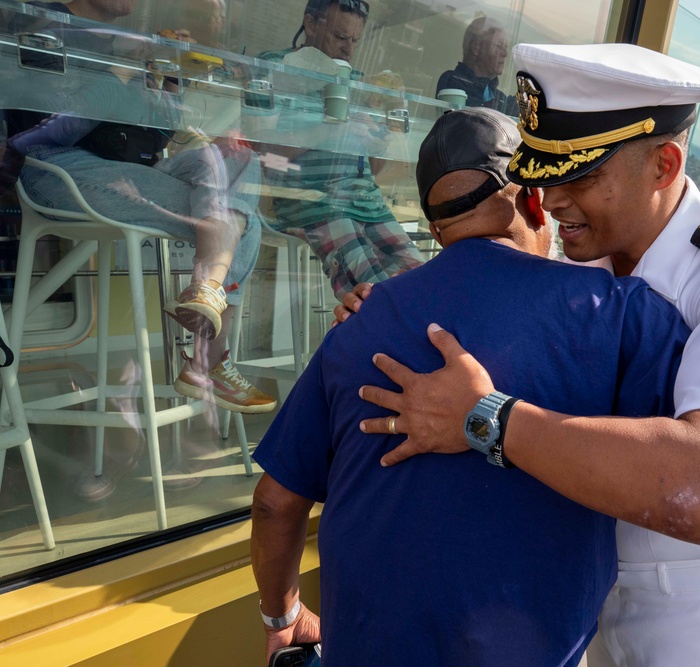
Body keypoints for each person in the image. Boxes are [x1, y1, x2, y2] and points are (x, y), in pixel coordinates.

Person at [354, 43, 700, 666]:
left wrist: (488, 418)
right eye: (543, 173)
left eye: (578, 174)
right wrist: (391, 317)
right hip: (584, 597)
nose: (550, 200)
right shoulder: (582, 264)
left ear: (663, 165)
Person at [250, 108, 691, 665]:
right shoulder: (621, 313)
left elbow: (274, 504)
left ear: (436, 231)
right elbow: (695, 471)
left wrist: (282, 616)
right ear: (534, 201)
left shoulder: (362, 322)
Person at [2, 0, 275, 413]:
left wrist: (167, 78)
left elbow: (154, 137)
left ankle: (208, 291)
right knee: (241, 220)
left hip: (122, 167)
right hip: (55, 169)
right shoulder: (45, 21)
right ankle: (210, 358)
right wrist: (127, 67)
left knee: (238, 158)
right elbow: (56, 129)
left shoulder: (121, 40)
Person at [255, 0, 425, 300]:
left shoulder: (358, 83)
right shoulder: (278, 67)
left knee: (422, 278)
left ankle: (404, 340)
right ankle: (381, 342)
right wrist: (331, 128)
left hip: (367, 204)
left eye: (355, 40)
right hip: (314, 202)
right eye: (339, 36)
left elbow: (373, 170)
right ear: (310, 23)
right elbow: (265, 156)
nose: (348, 48)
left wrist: (378, 141)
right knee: (376, 291)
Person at [436, 16, 518, 116]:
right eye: (498, 46)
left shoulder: (499, 98)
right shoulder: (452, 80)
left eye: (505, 47)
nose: (505, 53)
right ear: (476, 48)